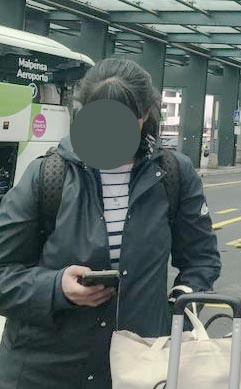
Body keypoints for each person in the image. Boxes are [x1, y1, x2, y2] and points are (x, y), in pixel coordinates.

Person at [0, 58, 221, 389]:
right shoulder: (47, 175)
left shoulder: (174, 174)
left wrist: (177, 312)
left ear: (145, 115)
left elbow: (201, 259)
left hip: (140, 366)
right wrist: (56, 287)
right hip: (45, 370)